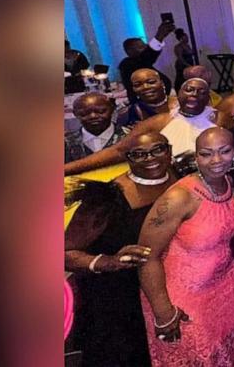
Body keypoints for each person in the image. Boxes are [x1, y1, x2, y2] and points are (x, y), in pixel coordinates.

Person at [137, 128, 234, 366]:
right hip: (184, 299)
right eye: (206, 154)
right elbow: (146, 257)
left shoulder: (225, 181)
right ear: (196, 156)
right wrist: (163, 313)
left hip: (227, 288)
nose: (216, 160)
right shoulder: (179, 198)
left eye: (224, 152)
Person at [65, 132, 176, 366]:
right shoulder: (107, 198)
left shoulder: (181, 179)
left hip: (167, 291)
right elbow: (63, 253)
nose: (150, 158)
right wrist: (107, 261)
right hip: (116, 302)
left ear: (170, 151)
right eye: (139, 154)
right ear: (128, 158)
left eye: (158, 150)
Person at [65, 78, 234, 175]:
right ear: (177, 94)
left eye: (201, 91)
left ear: (209, 98)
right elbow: (119, 150)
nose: (194, 94)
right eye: (189, 90)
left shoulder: (220, 119)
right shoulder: (159, 122)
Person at [118, 21, 175, 104]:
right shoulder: (127, 65)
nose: (145, 48)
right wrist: (159, 36)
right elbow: (147, 56)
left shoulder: (142, 63)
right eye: (141, 47)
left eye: (145, 46)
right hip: (146, 107)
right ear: (129, 51)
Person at [65, 92, 127, 162]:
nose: (93, 116)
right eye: (84, 113)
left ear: (112, 109)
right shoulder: (66, 143)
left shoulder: (130, 136)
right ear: (75, 114)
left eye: (101, 111)